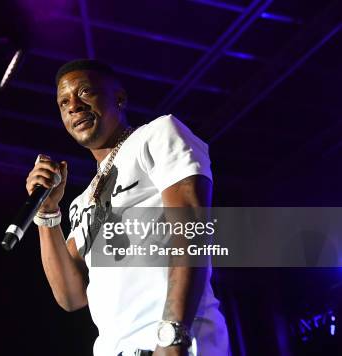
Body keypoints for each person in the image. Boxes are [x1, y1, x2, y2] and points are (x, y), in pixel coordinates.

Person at [25, 59, 229, 356]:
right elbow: (71, 296)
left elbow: (192, 232)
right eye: (63, 102)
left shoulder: (158, 134)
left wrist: (173, 334)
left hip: (173, 341)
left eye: (85, 92)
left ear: (118, 98)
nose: (74, 106)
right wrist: (47, 213)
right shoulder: (83, 201)